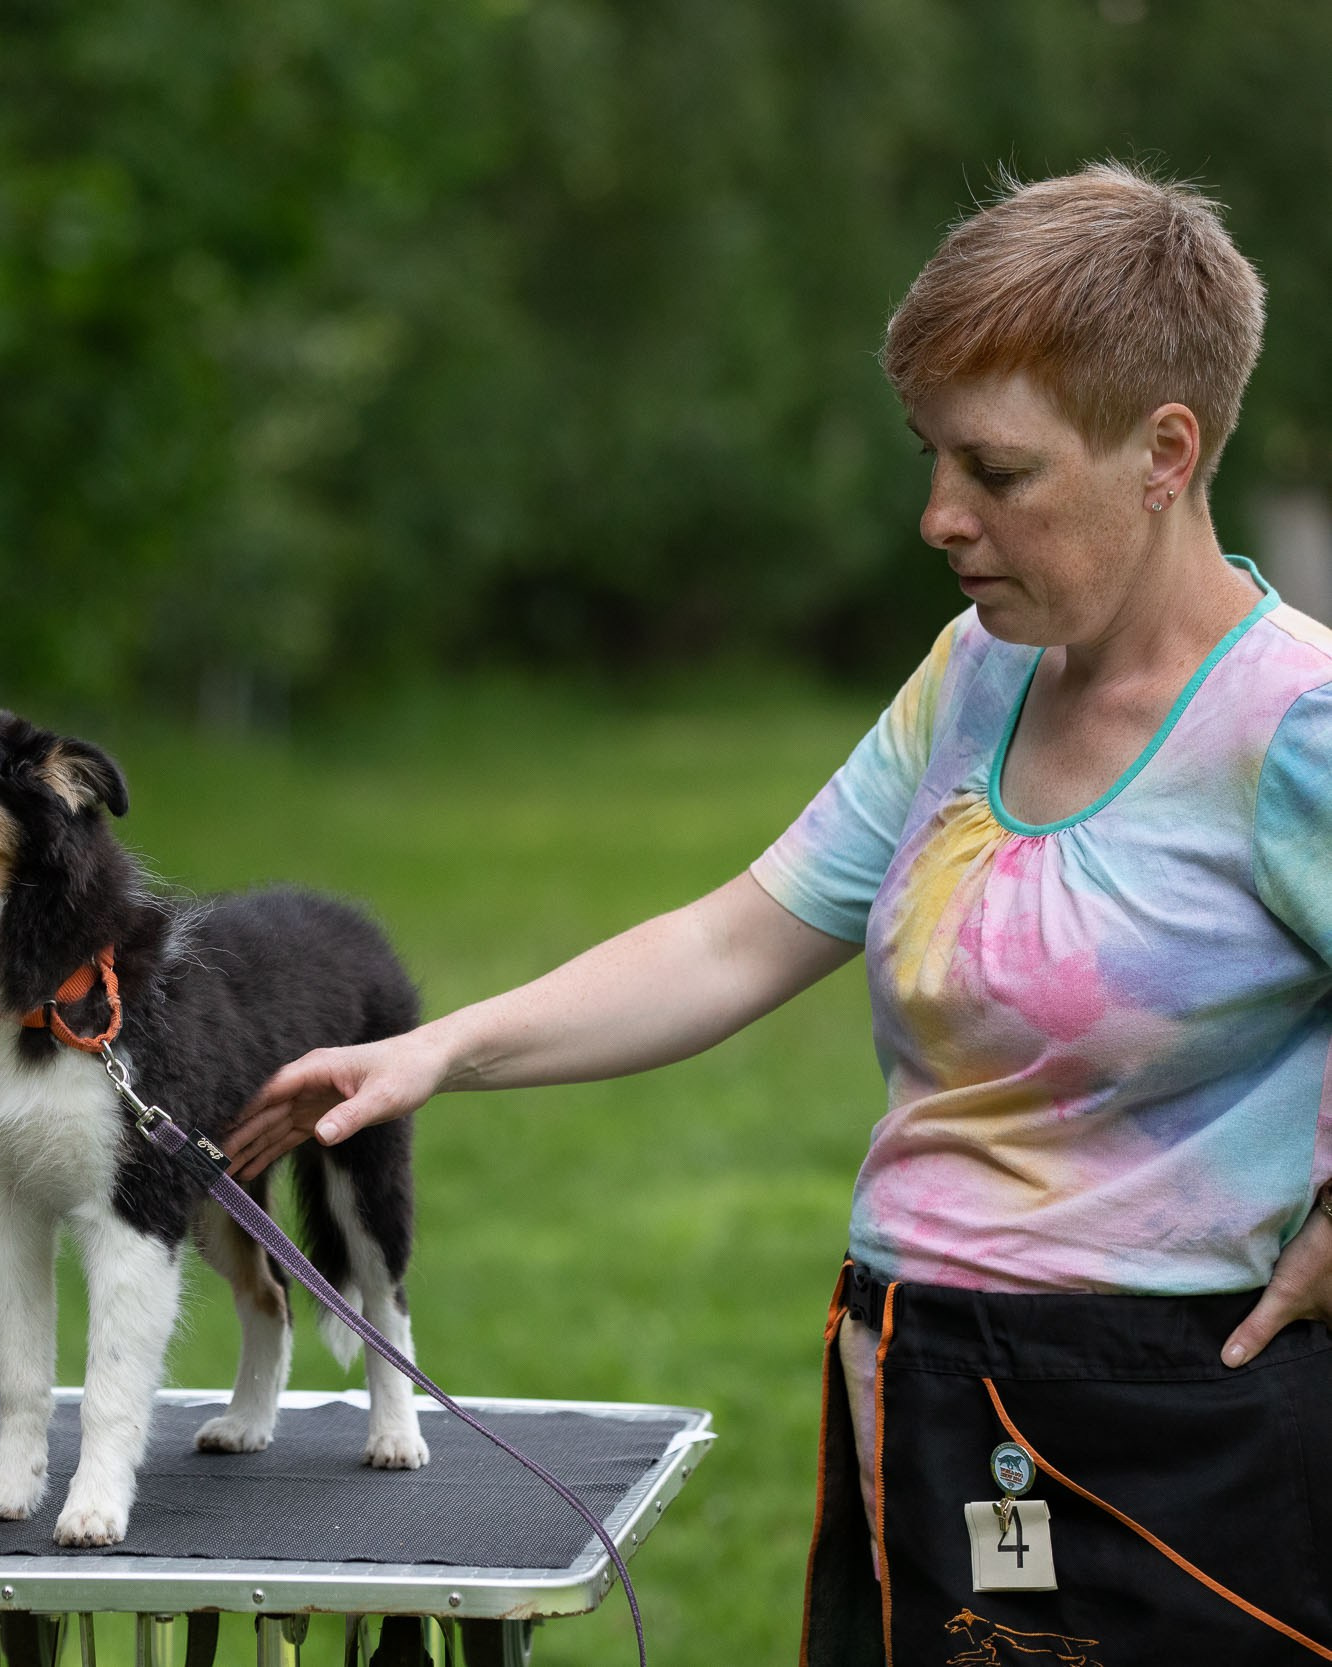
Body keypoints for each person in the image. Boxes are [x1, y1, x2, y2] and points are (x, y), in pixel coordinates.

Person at [230, 163, 1332, 1660]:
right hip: (919, 1378)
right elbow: (735, 937)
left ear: (1164, 450)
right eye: (928, 456)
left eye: (996, 472)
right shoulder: (977, 675)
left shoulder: (1294, 723)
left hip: (1187, 1432)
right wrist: (438, 1052)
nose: (939, 515)